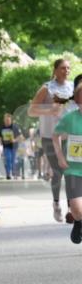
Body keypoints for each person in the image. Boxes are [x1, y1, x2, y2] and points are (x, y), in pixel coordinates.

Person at [28, 59, 74, 222]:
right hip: (50, 136)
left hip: (70, 137)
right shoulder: (46, 88)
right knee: (57, 172)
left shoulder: (72, 88)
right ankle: (56, 203)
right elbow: (31, 110)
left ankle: (71, 208)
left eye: (68, 68)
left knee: (71, 171)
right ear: (55, 70)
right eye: (62, 68)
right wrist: (49, 110)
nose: (66, 71)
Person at [51, 80, 82, 243]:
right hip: (74, 170)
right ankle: (78, 221)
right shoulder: (70, 118)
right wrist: (60, 157)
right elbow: (55, 136)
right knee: (76, 208)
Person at [0, 113, 22, 179]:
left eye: (8, 120)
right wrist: (1, 140)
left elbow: (20, 136)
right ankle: (8, 174)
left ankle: (14, 173)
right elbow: (0, 136)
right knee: (8, 159)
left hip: (14, 146)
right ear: (4, 120)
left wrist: (14, 140)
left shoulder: (15, 127)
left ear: (11, 120)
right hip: (6, 146)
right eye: (6, 120)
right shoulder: (2, 127)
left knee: (13, 159)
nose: (7, 122)